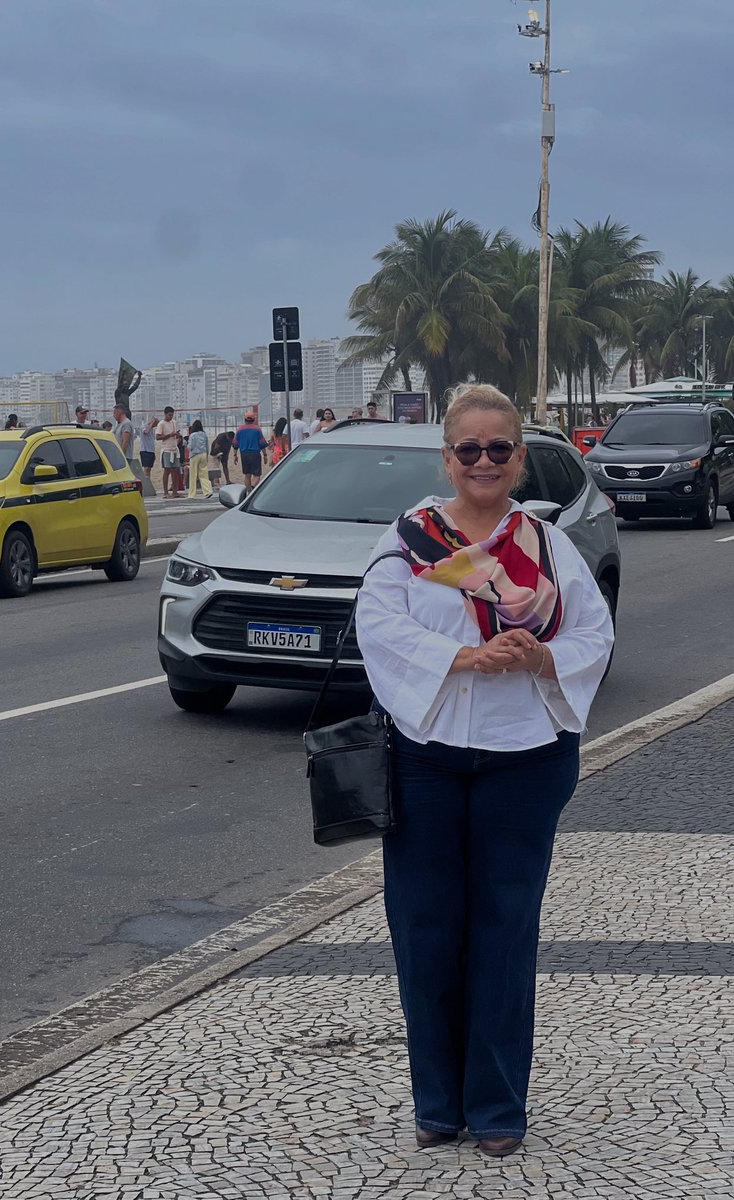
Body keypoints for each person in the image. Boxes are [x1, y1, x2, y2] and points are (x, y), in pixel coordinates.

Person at [355, 383, 614, 1160]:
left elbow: (593, 637)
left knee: (505, 930)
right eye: (468, 449)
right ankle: (437, 1103)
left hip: (524, 759)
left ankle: (498, 1109)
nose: (483, 461)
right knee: (424, 928)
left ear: (518, 458)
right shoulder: (406, 542)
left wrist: (541, 656)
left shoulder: (547, 545)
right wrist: (463, 656)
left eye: (498, 449)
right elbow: (377, 626)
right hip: (425, 758)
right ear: (447, 456)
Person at [232, 413, 268, 492]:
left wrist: (235, 455)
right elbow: (262, 444)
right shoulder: (257, 429)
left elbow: (235, 444)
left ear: (245, 420)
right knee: (257, 475)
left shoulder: (240, 429)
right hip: (255, 454)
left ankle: (249, 491)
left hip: (244, 454)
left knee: (247, 475)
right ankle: (252, 488)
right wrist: (265, 455)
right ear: (254, 420)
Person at [156, 406, 180, 499]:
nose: (171, 417)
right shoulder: (161, 424)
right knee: (167, 470)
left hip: (174, 449)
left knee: (176, 470)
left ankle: (175, 491)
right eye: (169, 415)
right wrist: (169, 435)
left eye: (172, 415)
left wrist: (177, 435)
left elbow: (178, 434)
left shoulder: (174, 422)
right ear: (165, 414)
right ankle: (165, 492)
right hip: (166, 450)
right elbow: (157, 437)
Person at [187, 420, 212, 499]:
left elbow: (190, 447)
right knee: (204, 474)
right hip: (203, 454)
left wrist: (186, 445)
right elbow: (207, 446)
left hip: (194, 455)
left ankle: (192, 494)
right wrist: (207, 456)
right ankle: (208, 491)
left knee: (193, 475)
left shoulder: (192, 435)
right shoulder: (204, 435)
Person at [113, 403, 135, 472]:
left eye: (114, 413)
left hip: (125, 457)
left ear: (119, 412)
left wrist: (121, 456)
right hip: (120, 457)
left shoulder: (126, 424)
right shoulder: (120, 424)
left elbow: (125, 441)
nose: (113, 415)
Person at [138, 416, 159, 484]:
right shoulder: (143, 426)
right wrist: (152, 423)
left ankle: (148, 483)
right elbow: (146, 432)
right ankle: (145, 484)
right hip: (145, 450)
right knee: (146, 468)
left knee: (149, 469)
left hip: (151, 451)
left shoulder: (153, 429)